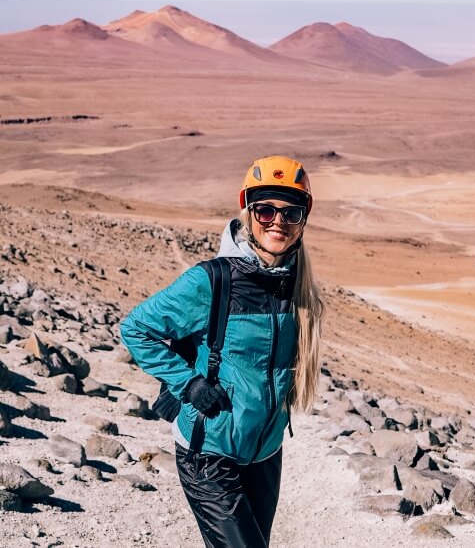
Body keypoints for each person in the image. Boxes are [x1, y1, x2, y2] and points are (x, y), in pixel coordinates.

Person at [120, 155, 323, 548]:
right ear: (248, 211)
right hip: (209, 453)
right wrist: (189, 384)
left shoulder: (296, 286)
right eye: (265, 210)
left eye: (291, 212)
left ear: (303, 219)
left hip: (265, 454)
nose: (277, 221)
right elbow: (136, 328)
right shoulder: (214, 280)